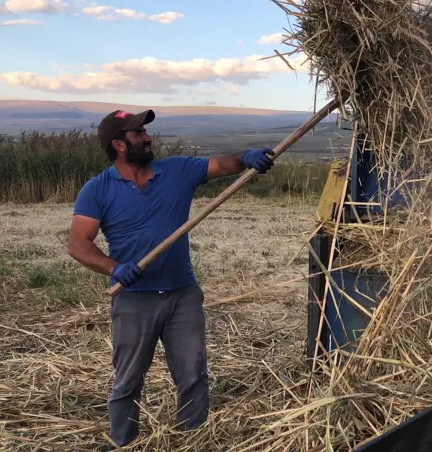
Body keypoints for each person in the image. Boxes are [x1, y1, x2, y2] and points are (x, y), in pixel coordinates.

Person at [66, 108, 275, 447]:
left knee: (193, 374)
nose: (148, 137)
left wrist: (247, 157)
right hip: (134, 300)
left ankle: (192, 440)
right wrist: (113, 267)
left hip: (182, 295)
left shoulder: (177, 170)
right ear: (118, 145)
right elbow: (78, 244)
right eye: (138, 133)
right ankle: (123, 443)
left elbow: (223, 165)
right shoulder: (97, 189)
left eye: (145, 132)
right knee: (128, 381)